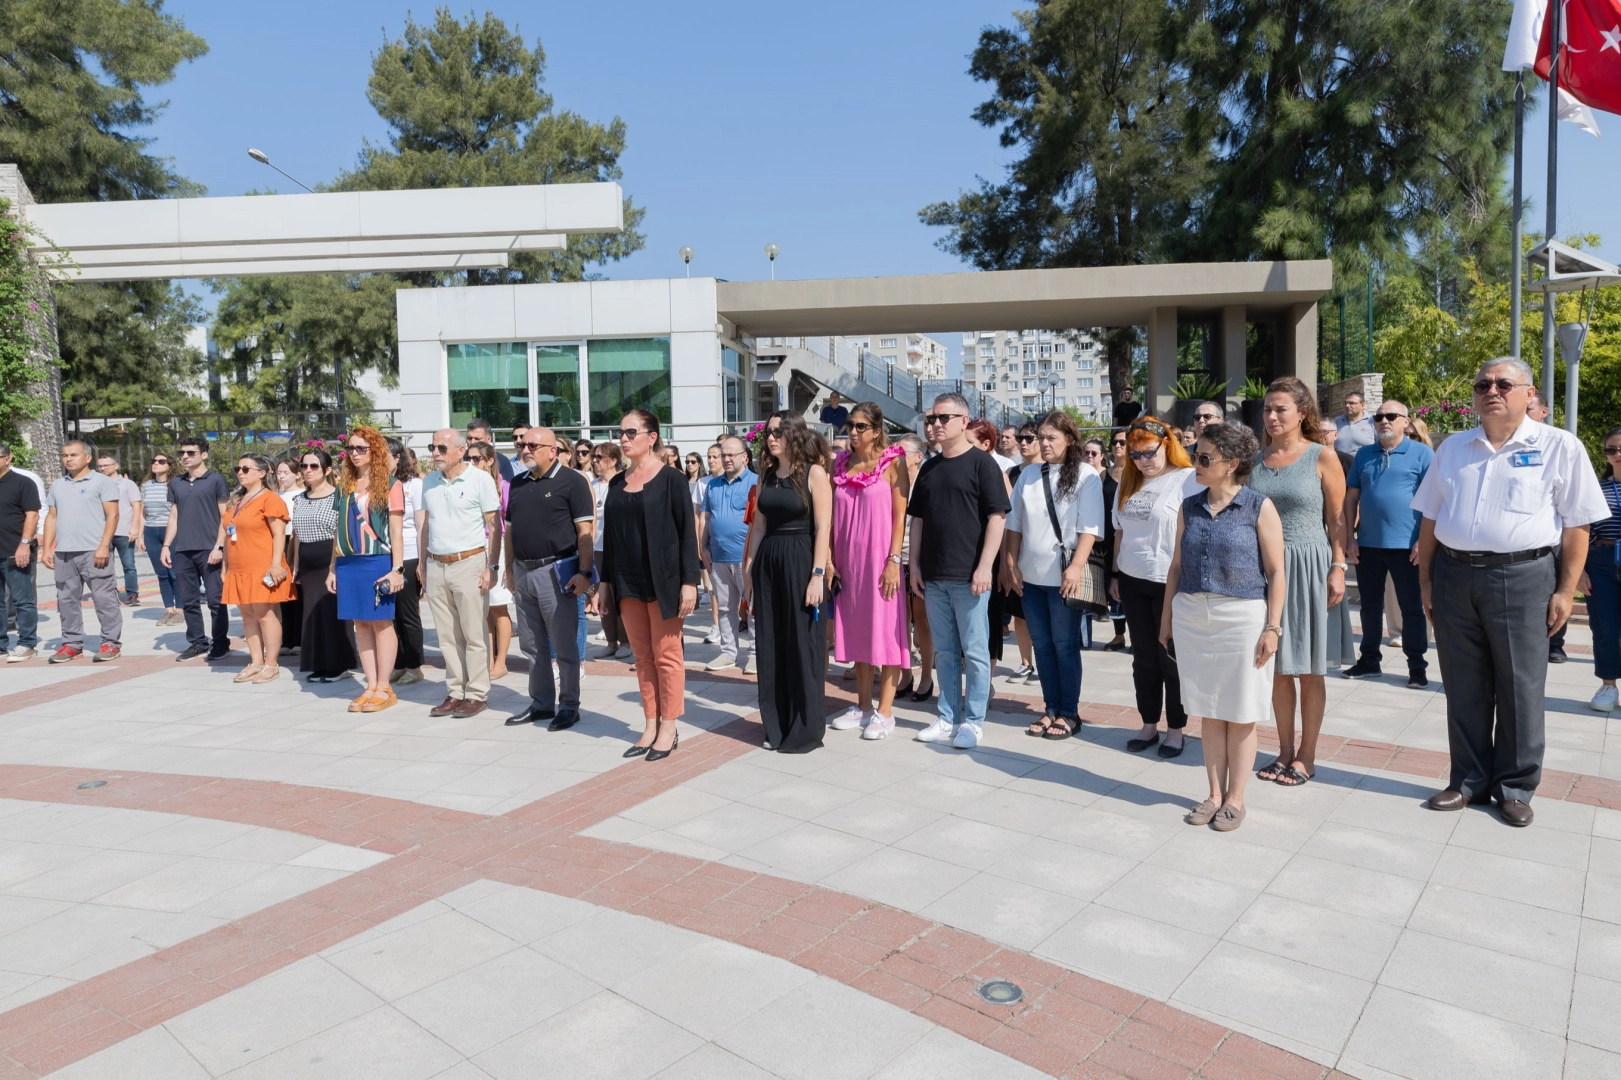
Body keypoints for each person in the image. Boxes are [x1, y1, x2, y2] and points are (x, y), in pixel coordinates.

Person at [1414, 358, 1608, 827]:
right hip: (1456, 576)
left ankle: (1515, 786)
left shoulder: (1559, 446)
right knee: (1463, 684)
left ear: (1528, 393)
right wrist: (1426, 582)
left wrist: (1565, 590)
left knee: (1520, 686)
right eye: (1483, 384)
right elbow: (1431, 518)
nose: (1492, 390)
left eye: (1504, 383)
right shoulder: (1454, 448)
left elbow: (1577, 525)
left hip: (1524, 578)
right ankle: (1467, 780)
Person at [1162, 422, 1286, 832]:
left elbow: (1276, 570)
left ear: (1232, 464)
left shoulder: (1258, 506)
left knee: (1242, 709)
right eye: (1195, 455)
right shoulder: (1189, 507)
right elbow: (1176, 567)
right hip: (1194, 616)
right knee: (1208, 710)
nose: (1195, 463)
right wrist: (1167, 619)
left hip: (1243, 618)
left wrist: (1273, 626)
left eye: (1203, 458)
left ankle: (1236, 799)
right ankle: (1214, 793)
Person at [1251, 376, 1351, 788]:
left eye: (1281, 409)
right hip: (1264, 570)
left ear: (1302, 413)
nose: (1272, 417)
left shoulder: (1321, 456)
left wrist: (1339, 566)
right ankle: (1284, 749)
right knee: (1274, 669)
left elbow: (1338, 518)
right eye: (1267, 410)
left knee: (1309, 670)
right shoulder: (1255, 460)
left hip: (1309, 564)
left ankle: (1307, 755)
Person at [908, 393, 1010, 749]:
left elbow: (997, 518)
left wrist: (985, 566)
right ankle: (948, 717)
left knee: (976, 651)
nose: (935, 424)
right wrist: (914, 566)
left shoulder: (983, 465)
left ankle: (974, 721)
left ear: (963, 421)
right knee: (945, 652)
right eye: (931, 418)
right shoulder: (929, 467)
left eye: (943, 418)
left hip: (970, 577)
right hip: (933, 575)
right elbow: (917, 520)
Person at [603, 409, 700, 761]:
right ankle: (650, 722)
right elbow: (609, 538)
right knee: (642, 658)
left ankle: (670, 727)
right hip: (627, 581)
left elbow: (688, 534)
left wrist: (690, 582)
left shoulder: (673, 479)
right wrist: (604, 583)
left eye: (631, 433)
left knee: (667, 657)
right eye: (621, 433)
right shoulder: (616, 483)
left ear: (652, 437)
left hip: (665, 583)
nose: (624, 439)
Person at [1004, 411, 1104, 739]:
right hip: (1031, 577)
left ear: (1070, 440)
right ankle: (1050, 709)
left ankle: (1069, 713)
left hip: (1064, 576)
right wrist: (1011, 563)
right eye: (1040, 437)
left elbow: (1090, 528)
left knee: (1064, 645)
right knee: (1043, 646)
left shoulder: (1086, 475)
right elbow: (1014, 524)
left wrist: (1075, 567)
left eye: (1052, 438)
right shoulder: (1029, 475)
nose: (1044, 444)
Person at [744, 411, 833, 753]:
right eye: (768, 432)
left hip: (800, 559)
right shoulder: (765, 475)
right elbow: (760, 527)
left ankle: (806, 729)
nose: (771, 437)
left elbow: (823, 528)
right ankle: (776, 725)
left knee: (802, 643)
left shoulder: (814, 473)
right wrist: (749, 573)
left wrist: (817, 575)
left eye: (779, 432)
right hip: (768, 561)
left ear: (794, 434)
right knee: (770, 643)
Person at [1112, 417, 1201, 755]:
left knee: (1170, 659)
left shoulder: (1187, 479)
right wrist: (1116, 575)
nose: (1141, 461)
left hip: (1171, 582)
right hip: (1133, 580)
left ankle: (1176, 729)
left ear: (1166, 445)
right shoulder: (1127, 481)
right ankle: (1148, 724)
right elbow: (1120, 530)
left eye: (1148, 453)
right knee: (1144, 658)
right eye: (1134, 455)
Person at [503, 426, 595, 729]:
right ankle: (541, 703)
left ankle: (569, 705)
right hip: (523, 571)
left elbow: (585, 532)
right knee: (531, 645)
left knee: (564, 644)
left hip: (555, 573)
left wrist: (584, 573)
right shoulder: (517, 483)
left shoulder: (572, 481)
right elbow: (510, 532)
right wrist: (509, 569)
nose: (525, 449)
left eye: (533, 445)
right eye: (522, 445)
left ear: (553, 450)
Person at [827, 403, 909, 739]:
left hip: (880, 562)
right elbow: (831, 517)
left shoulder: (894, 462)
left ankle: (885, 712)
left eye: (862, 426)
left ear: (877, 430)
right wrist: (830, 560)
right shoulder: (840, 463)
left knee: (886, 633)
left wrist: (893, 561)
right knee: (859, 631)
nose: (854, 432)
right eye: (851, 425)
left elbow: (900, 517)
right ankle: (862, 707)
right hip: (848, 563)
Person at [1342, 400, 1433, 687]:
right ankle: (1369, 660)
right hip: (1368, 543)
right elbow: (1351, 498)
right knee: (1369, 606)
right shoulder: (1365, 455)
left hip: (1407, 546)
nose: (1384, 421)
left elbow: (1434, 501)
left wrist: (1423, 540)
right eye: (1379, 417)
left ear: (1405, 421)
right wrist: (1349, 538)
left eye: (1391, 416)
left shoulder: (1422, 454)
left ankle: (1417, 666)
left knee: (1412, 607)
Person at [328, 428, 407, 713]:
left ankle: (385, 687)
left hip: (377, 561)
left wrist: (397, 569)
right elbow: (338, 532)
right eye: (351, 448)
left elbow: (396, 533)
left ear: (375, 451)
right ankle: (371, 685)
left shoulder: (390, 484)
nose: (355, 453)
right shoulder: (344, 485)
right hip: (349, 563)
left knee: (382, 623)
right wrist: (333, 568)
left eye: (362, 448)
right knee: (360, 624)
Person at [43, 441, 122, 663]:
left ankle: (110, 643)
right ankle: (71, 644)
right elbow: (52, 517)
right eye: (65, 455)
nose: (68, 459)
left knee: (104, 599)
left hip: (94, 550)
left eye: (74, 455)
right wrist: (47, 548)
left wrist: (104, 546)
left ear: (87, 458)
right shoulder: (58, 485)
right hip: (64, 552)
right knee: (66, 600)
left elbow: (113, 515)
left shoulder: (102, 482)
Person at [220, 454, 295, 684]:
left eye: (246, 468)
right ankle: (255, 661)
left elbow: (279, 534)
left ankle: (271, 663)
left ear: (262, 473)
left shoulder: (270, 499)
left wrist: (275, 564)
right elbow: (227, 535)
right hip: (239, 567)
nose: (240, 472)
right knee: (247, 615)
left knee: (264, 614)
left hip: (262, 565)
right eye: (238, 468)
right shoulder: (237, 500)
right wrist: (225, 566)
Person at [162, 436, 232, 662]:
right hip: (183, 549)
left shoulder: (216, 480)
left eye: (190, 453)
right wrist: (166, 546)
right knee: (189, 600)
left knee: (215, 599)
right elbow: (173, 516)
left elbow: (225, 517)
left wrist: (219, 547)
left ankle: (221, 643)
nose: (184, 457)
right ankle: (197, 642)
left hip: (209, 549)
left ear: (204, 454)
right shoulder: (176, 483)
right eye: (182, 453)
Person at [289, 448, 354, 684]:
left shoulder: (340, 496)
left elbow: (339, 532)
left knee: (332, 613)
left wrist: (333, 567)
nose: (307, 471)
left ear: (327, 470)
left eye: (314, 466)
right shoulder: (299, 499)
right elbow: (296, 534)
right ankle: (318, 663)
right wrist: (295, 564)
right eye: (304, 466)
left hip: (330, 560)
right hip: (306, 562)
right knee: (311, 615)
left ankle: (339, 664)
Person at [699, 435, 757, 671]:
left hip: (746, 559)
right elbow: (706, 516)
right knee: (725, 608)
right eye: (723, 454)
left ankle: (755, 654)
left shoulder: (756, 482)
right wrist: (703, 547)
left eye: (731, 454)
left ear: (744, 456)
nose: (726, 458)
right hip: (718, 557)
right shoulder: (712, 484)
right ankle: (728, 652)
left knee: (753, 609)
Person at [1527, 390, 1571, 664]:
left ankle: (1556, 643)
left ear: (1544, 412)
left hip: (1551, 541)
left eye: (1530, 408)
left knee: (1555, 593)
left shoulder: (1558, 445)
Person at [467, 444, 514, 680]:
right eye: (469, 458)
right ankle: (486, 662)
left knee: (498, 606)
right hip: (474, 546)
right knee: (482, 609)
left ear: (490, 460)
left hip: (499, 545)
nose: (473, 462)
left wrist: (508, 562)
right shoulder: (469, 484)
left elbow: (510, 526)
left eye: (477, 458)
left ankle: (501, 662)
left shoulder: (504, 486)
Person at [1585, 427, 1621, 712]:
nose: (1617, 455)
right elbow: (1581, 531)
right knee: (1605, 627)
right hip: (1600, 560)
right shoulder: (1596, 488)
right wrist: (1580, 571)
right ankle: (1608, 686)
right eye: (1611, 449)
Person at [387, 439, 426, 686]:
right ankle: (398, 663)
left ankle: (414, 665)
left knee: (407, 613)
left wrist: (422, 561)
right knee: (390, 614)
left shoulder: (415, 485)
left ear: (397, 457)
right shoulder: (381, 484)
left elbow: (422, 525)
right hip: (386, 554)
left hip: (411, 553)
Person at [588, 442, 630, 660]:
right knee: (601, 596)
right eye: (593, 457)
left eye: (599, 457)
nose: (594, 461)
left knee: (620, 596)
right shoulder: (591, 485)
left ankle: (626, 641)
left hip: (618, 549)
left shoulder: (623, 483)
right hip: (597, 549)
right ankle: (611, 640)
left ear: (613, 460)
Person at [0, 443, 40, 662]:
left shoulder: (23, 483)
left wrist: (24, 544)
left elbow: (32, 515)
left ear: (8, 458)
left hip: (15, 552)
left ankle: (27, 643)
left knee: (22, 600)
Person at [898, 433, 931, 700]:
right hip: (894, 561)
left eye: (901, 453)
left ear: (918, 457)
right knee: (900, 622)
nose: (894, 458)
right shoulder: (892, 482)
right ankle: (905, 674)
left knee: (922, 621)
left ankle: (927, 677)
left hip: (919, 561)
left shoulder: (927, 482)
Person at [138, 452, 181, 627]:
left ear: (169, 465)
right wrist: (140, 535)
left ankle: (180, 610)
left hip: (171, 530)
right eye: (153, 461)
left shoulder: (175, 485)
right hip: (151, 531)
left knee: (175, 572)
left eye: (161, 461)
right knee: (162, 574)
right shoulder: (147, 486)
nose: (155, 463)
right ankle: (168, 609)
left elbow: (177, 512)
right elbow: (143, 512)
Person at [95, 454, 142, 606]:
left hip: (123, 531)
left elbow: (136, 506)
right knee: (105, 566)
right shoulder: (97, 484)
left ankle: (132, 594)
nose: (102, 468)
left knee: (129, 565)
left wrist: (135, 527)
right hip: (103, 532)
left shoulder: (128, 484)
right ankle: (110, 594)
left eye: (105, 465)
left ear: (116, 466)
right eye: (100, 466)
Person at [1099, 431, 1129, 651]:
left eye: (1122, 442)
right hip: (1108, 537)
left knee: (1130, 586)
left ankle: (1138, 636)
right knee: (1112, 586)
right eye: (1114, 442)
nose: (1117, 445)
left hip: (1129, 536)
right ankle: (1119, 635)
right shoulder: (1104, 474)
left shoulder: (1137, 472)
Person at [271, 458, 303, 655]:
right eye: (279, 472)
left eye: (286, 472)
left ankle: (299, 638)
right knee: (282, 590)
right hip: (279, 542)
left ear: (297, 474)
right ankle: (287, 638)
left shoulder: (301, 494)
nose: (281, 476)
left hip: (296, 539)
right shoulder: (275, 496)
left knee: (298, 590)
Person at [1331, 390, 1376, 474]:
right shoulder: (1337, 421)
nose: (1347, 406)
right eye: (1345, 403)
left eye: (1352, 403)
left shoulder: (1372, 421)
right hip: (1341, 468)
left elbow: (1381, 444)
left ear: (1362, 405)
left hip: (1365, 468)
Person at [466, 416, 516, 483]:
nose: (472, 442)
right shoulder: (460, 459)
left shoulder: (502, 461)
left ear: (489, 439)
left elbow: (509, 488)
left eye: (477, 439)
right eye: (469, 438)